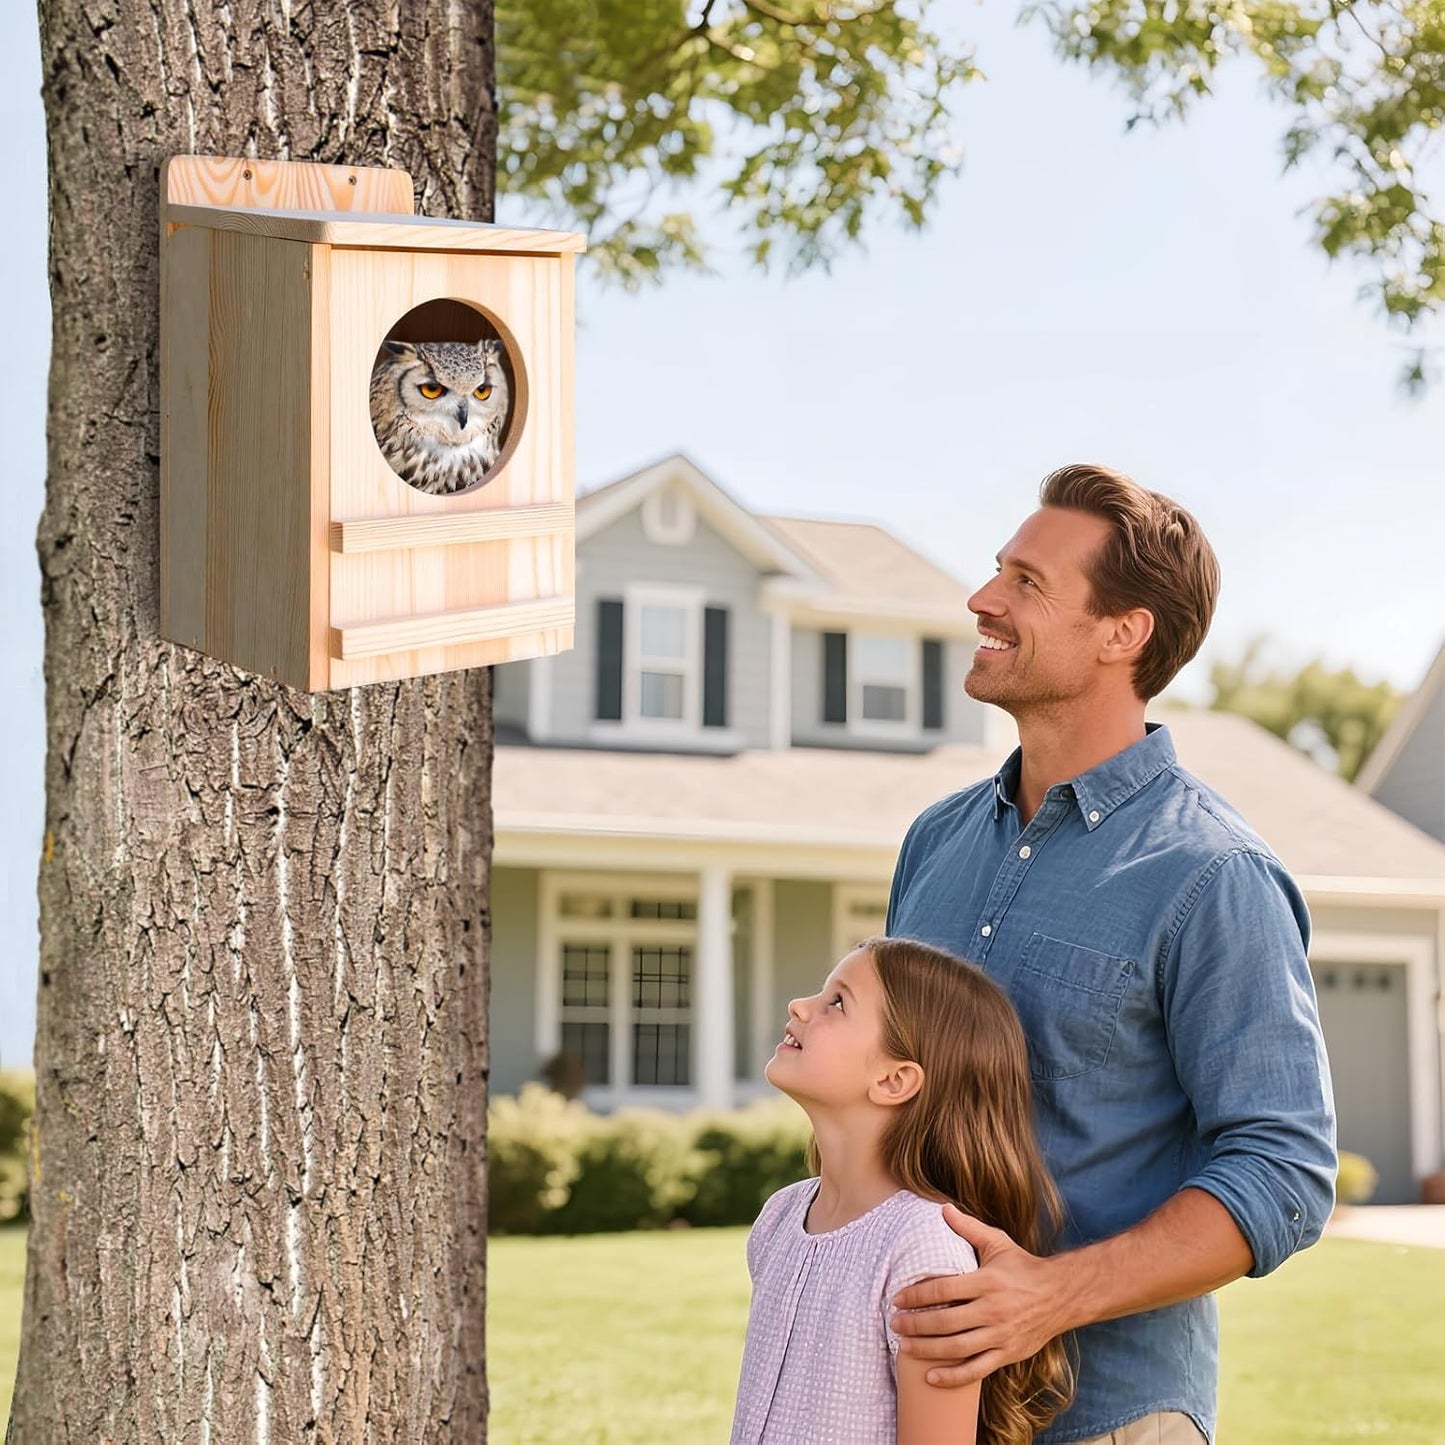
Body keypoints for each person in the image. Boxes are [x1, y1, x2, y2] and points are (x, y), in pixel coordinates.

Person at [885, 463, 1337, 1444]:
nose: (981, 597)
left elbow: (1283, 1167)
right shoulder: (934, 841)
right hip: (918, 1402)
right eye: (995, 569)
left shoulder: (1211, 873)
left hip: (1104, 1416)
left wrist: (1047, 1293)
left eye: (1026, 582)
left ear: (1120, 633)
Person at [730, 935, 1074, 1445]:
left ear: (894, 1080)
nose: (800, 1006)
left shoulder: (923, 1250)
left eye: (838, 1002)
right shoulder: (780, 1217)